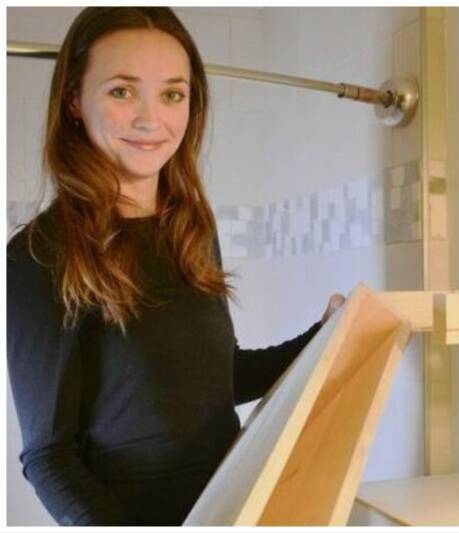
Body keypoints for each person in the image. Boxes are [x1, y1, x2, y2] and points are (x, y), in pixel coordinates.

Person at [6, 7, 345, 526]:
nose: (151, 119)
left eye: (172, 94)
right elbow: (49, 457)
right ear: (74, 99)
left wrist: (325, 336)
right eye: (122, 91)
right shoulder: (40, 255)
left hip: (231, 507)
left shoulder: (193, 230)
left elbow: (219, 379)